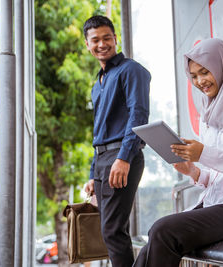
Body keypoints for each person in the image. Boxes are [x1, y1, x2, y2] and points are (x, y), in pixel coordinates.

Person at [133, 38, 223, 266]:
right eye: (194, 76)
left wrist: (204, 154)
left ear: (222, 66)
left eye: (204, 72)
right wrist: (194, 171)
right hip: (217, 205)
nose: (200, 81)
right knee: (152, 239)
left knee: (163, 231)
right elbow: (220, 178)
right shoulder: (209, 114)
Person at [82, 15, 151, 267]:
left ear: (115, 39)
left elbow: (139, 114)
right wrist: (93, 172)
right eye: (95, 40)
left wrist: (124, 157)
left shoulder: (131, 70)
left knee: (112, 230)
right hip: (102, 160)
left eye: (107, 38)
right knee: (110, 230)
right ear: (88, 45)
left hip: (121, 156)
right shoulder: (97, 84)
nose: (102, 44)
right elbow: (98, 129)